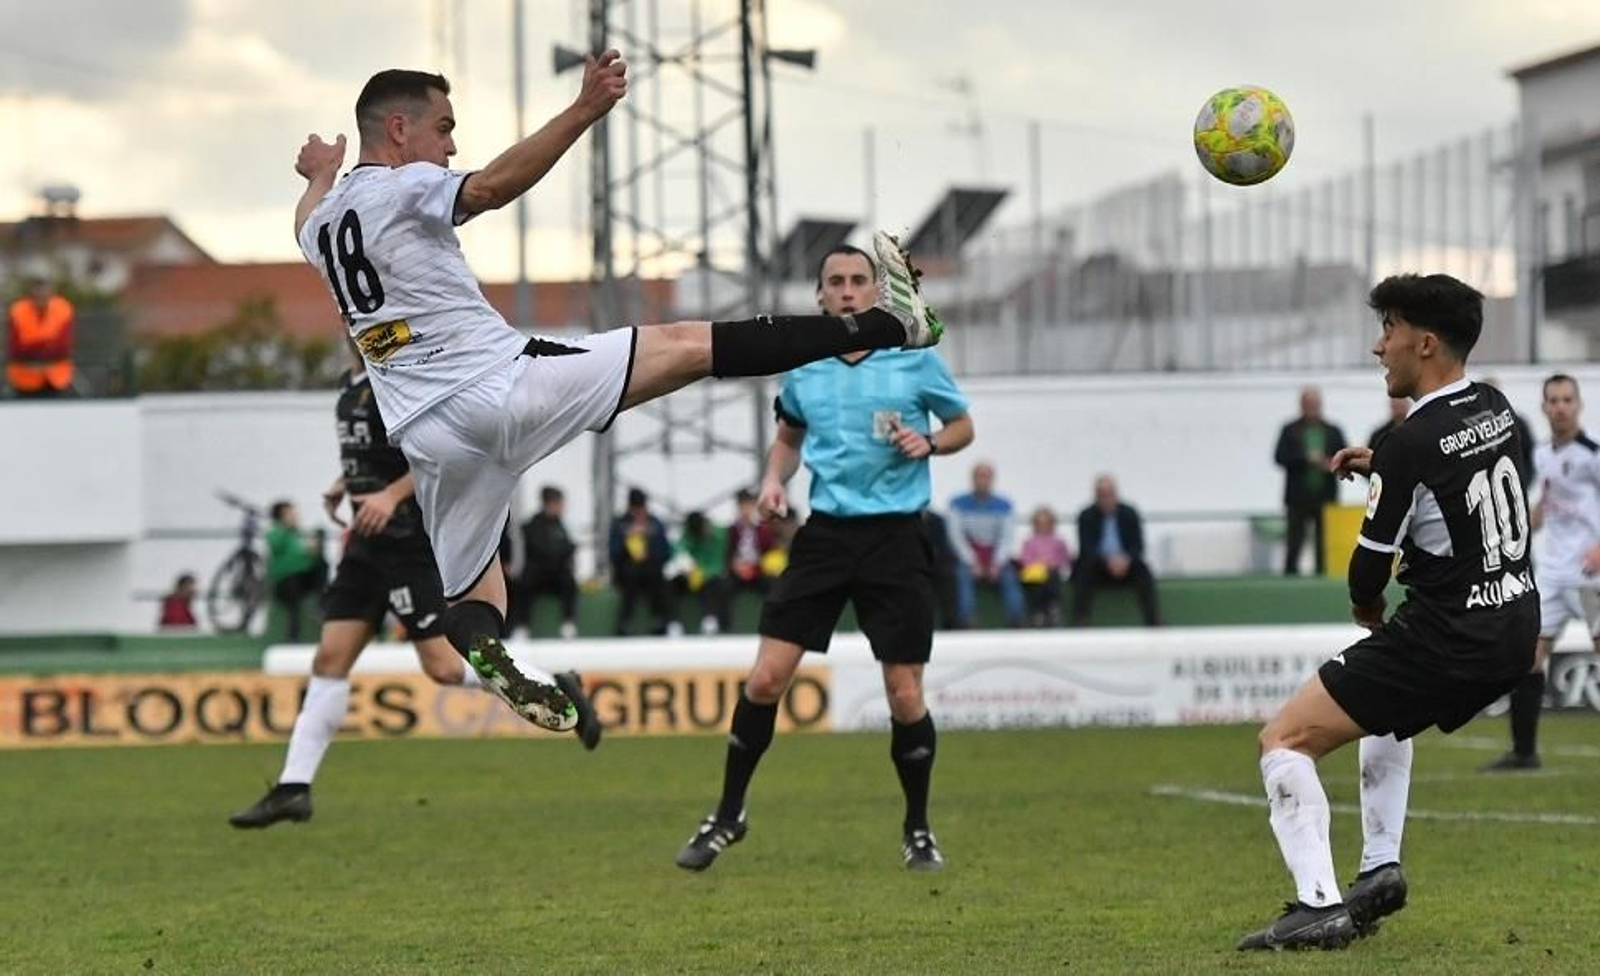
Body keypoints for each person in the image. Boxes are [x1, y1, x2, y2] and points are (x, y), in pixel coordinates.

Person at [291, 61, 943, 732]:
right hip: (502, 386)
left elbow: (307, 214)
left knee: (468, 595)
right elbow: (488, 188)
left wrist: (318, 176)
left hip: (428, 439)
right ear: (398, 129)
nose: (450, 146)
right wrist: (583, 111)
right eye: (444, 128)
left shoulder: (322, 227)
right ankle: (892, 325)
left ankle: (491, 655)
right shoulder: (405, 186)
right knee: (692, 345)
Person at [1237, 274, 1537, 951]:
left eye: (1389, 331)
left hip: (1449, 636)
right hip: (1515, 629)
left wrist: (1366, 608)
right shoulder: (1494, 406)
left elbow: (1367, 573)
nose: (1380, 348)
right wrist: (1384, 469)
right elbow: (1457, 474)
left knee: (1282, 741)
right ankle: (1379, 871)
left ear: (1424, 343)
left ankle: (1318, 906)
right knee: (1384, 713)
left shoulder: (1410, 444)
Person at [674, 243, 974, 874]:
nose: (845, 290)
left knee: (904, 694)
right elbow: (787, 440)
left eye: (858, 281)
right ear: (818, 295)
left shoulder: (913, 361)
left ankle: (918, 829)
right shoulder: (805, 367)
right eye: (834, 281)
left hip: (896, 537)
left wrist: (932, 442)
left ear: (876, 292)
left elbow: (963, 427)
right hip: (827, 536)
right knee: (763, 680)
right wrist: (774, 480)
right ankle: (729, 815)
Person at [230, 362, 602, 829]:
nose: (351, 317)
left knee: (444, 668)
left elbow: (439, 455)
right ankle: (293, 789)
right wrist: (346, 483)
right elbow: (376, 449)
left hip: (409, 541)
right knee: (329, 660)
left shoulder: (399, 375)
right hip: (367, 545)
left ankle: (552, 684)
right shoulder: (351, 380)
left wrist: (389, 495)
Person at [1483, 374, 1600, 772]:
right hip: (1552, 573)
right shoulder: (1541, 453)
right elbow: (1546, 503)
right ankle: (1524, 752)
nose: (1561, 406)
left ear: (1578, 405)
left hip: (1590, 575)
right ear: (1544, 407)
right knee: (1528, 655)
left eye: (1568, 399)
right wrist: (1515, 531)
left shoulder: (1592, 454)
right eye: (1554, 400)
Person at [1274, 386, 1348, 575]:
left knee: (1323, 543)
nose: (1312, 408)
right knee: (1294, 542)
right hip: (1297, 497)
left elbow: (1345, 457)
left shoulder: (1333, 431)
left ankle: (1321, 577)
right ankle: (1290, 580)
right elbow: (1280, 457)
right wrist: (1306, 458)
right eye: (1308, 404)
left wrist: (1329, 463)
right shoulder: (1289, 430)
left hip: (1325, 495)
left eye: (1315, 404)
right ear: (1301, 405)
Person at [1071, 476, 1160, 627]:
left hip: (1126, 565)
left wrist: (1125, 560)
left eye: (1109, 494)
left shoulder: (1129, 513)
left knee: (1143, 570)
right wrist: (1108, 561)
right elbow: (1087, 548)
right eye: (1102, 495)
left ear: (1116, 494)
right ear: (1096, 496)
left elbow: (1138, 545)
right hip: (1099, 566)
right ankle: (1081, 620)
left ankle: (1154, 621)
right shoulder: (1086, 516)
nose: (1106, 499)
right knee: (1084, 571)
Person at [947, 462, 1025, 628]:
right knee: (961, 574)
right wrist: (972, 561)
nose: (983, 481)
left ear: (992, 480)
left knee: (1010, 575)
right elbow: (956, 537)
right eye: (979, 477)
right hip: (969, 557)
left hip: (995, 556)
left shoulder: (1005, 505)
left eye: (986, 477)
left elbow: (1007, 538)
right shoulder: (957, 504)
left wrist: (996, 563)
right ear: (973, 479)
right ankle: (967, 618)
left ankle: (1016, 619)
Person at [518, 485, 580, 639]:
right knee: (525, 583)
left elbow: (567, 547)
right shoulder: (532, 524)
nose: (562, 507)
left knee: (569, 582)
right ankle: (523, 626)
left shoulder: (560, 524)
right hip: (538, 573)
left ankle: (568, 623)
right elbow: (538, 550)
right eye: (559, 503)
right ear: (550, 504)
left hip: (557, 574)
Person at [609, 487, 673, 636]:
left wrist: (649, 542)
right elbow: (613, 554)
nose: (639, 514)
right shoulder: (619, 524)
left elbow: (665, 553)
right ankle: (625, 622)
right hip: (627, 570)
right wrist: (627, 540)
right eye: (635, 510)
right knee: (631, 574)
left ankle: (660, 619)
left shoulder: (655, 524)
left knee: (656, 577)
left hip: (651, 569)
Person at [265, 501, 328, 642]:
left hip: (300, 579)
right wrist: (286, 528)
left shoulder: (297, 535)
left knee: (322, 565)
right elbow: (276, 545)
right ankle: (293, 635)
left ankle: (320, 604)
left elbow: (304, 559)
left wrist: (313, 553)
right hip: (284, 583)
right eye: (291, 513)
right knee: (292, 585)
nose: (295, 515)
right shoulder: (275, 532)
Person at [6, 277, 75, 397]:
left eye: (44, 292)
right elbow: (16, 349)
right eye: (37, 293)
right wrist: (47, 345)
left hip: (56, 377)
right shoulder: (18, 311)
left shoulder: (63, 309)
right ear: (30, 293)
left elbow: (62, 348)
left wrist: (33, 346)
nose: (40, 296)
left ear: (51, 293)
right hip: (24, 376)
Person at [669, 510, 731, 634]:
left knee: (715, 584)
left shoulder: (719, 534)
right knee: (671, 584)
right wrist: (686, 566)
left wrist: (702, 573)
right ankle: (673, 622)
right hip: (689, 576)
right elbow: (678, 548)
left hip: (709, 576)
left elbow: (718, 564)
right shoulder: (687, 533)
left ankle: (710, 619)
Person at [1017, 506, 1071, 627]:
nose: (1043, 527)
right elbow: (1025, 560)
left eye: (1046, 523)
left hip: (1052, 573)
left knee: (1051, 575)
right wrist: (1039, 565)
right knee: (1039, 580)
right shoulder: (1029, 541)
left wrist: (1053, 564)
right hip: (1034, 575)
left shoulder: (1058, 541)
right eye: (1040, 524)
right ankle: (1038, 611)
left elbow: (1064, 559)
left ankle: (1053, 608)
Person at [726, 487, 776, 597]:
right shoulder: (731, 531)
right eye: (742, 506)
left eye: (748, 506)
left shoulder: (762, 531)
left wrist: (759, 565)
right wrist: (735, 565)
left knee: (772, 583)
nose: (745, 510)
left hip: (758, 571)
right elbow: (727, 554)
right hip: (737, 572)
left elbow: (769, 552)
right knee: (724, 586)